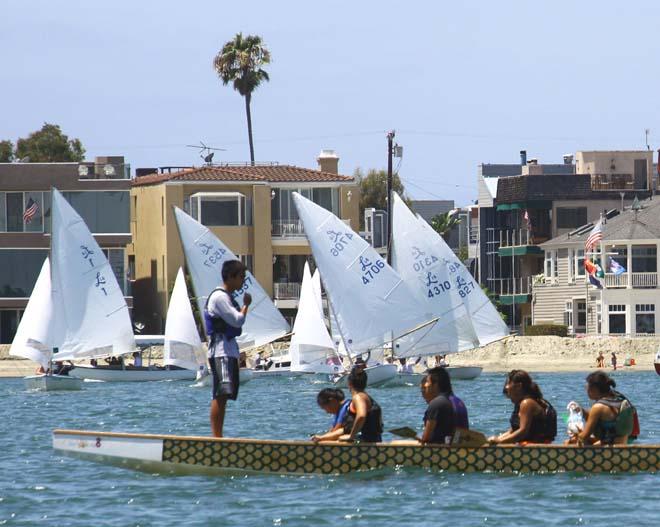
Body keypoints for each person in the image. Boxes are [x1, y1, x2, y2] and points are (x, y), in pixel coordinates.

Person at [205, 260, 252, 438]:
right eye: (241, 277)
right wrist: (247, 304)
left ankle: (219, 435)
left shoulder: (228, 297)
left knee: (226, 394)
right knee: (221, 393)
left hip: (229, 349)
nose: (242, 282)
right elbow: (237, 320)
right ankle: (217, 437)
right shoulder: (220, 297)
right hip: (220, 350)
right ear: (231, 277)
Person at [566, 371, 638, 445]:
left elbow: (584, 437)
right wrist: (582, 411)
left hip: (609, 448)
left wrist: (574, 435)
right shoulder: (619, 399)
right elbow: (602, 418)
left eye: (586, 387)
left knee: (569, 443)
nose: (585, 389)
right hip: (622, 443)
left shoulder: (598, 407)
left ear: (594, 389)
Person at [488, 370, 557, 445]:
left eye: (508, 384)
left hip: (536, 449)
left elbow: (523, 431)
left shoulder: (527, 403)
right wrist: (496, 439)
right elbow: (513, 430)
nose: (506, 387)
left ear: (518, 386)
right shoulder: (522, 403)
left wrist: (500, 442)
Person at [419, 366, 469, 444]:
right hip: (460, 451)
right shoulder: (459, 402)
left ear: (435, 384)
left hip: (440, 452)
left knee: (395, 444)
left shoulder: (436, 404)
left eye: (428, 382)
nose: (426, 385)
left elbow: (425, 439)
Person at [339, 367, 383, 442]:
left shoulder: (358, 397)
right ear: (365, 383)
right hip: (375, 440)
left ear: (349, 383)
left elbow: (361, 416)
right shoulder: (367, 397)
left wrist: (351, 436)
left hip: (364, 444)